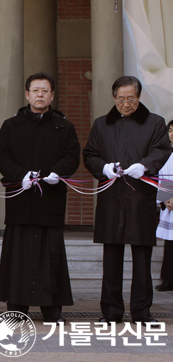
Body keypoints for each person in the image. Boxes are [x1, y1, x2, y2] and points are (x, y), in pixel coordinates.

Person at [0, 72, 80, 323]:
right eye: (35, 90)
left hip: (49, 200)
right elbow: (1, 155)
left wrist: (57, 173)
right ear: (27, 94)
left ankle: (52, 308)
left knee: (50, 255)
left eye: (45, 90)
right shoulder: (11, 125)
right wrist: (20, 174)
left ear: (52, 95)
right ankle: (17, 306)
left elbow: (72, 156)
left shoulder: (64, 126)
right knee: (17, 254)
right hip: (20, 200)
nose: (40, 95)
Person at [83, 76, 170, 325]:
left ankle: (142, 312)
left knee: (142, 258)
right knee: (111, 258)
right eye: (120, 99)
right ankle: (111, 311)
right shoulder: (102, 124)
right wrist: (104, 167)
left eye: (130, 98)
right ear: (114, 98)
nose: (125, 103)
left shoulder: (155, 123)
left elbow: (161, 150)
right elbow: (90, 153)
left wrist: (144, 165)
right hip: (111, 197)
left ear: (139, 97)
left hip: (140, 198)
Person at [155, 120, 173, 292]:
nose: (172, 133)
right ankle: (168, 280)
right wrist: (166, 199)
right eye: (170, 130)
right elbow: (162, 175)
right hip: (168, 202)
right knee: (170, 245)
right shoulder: (164, 152)